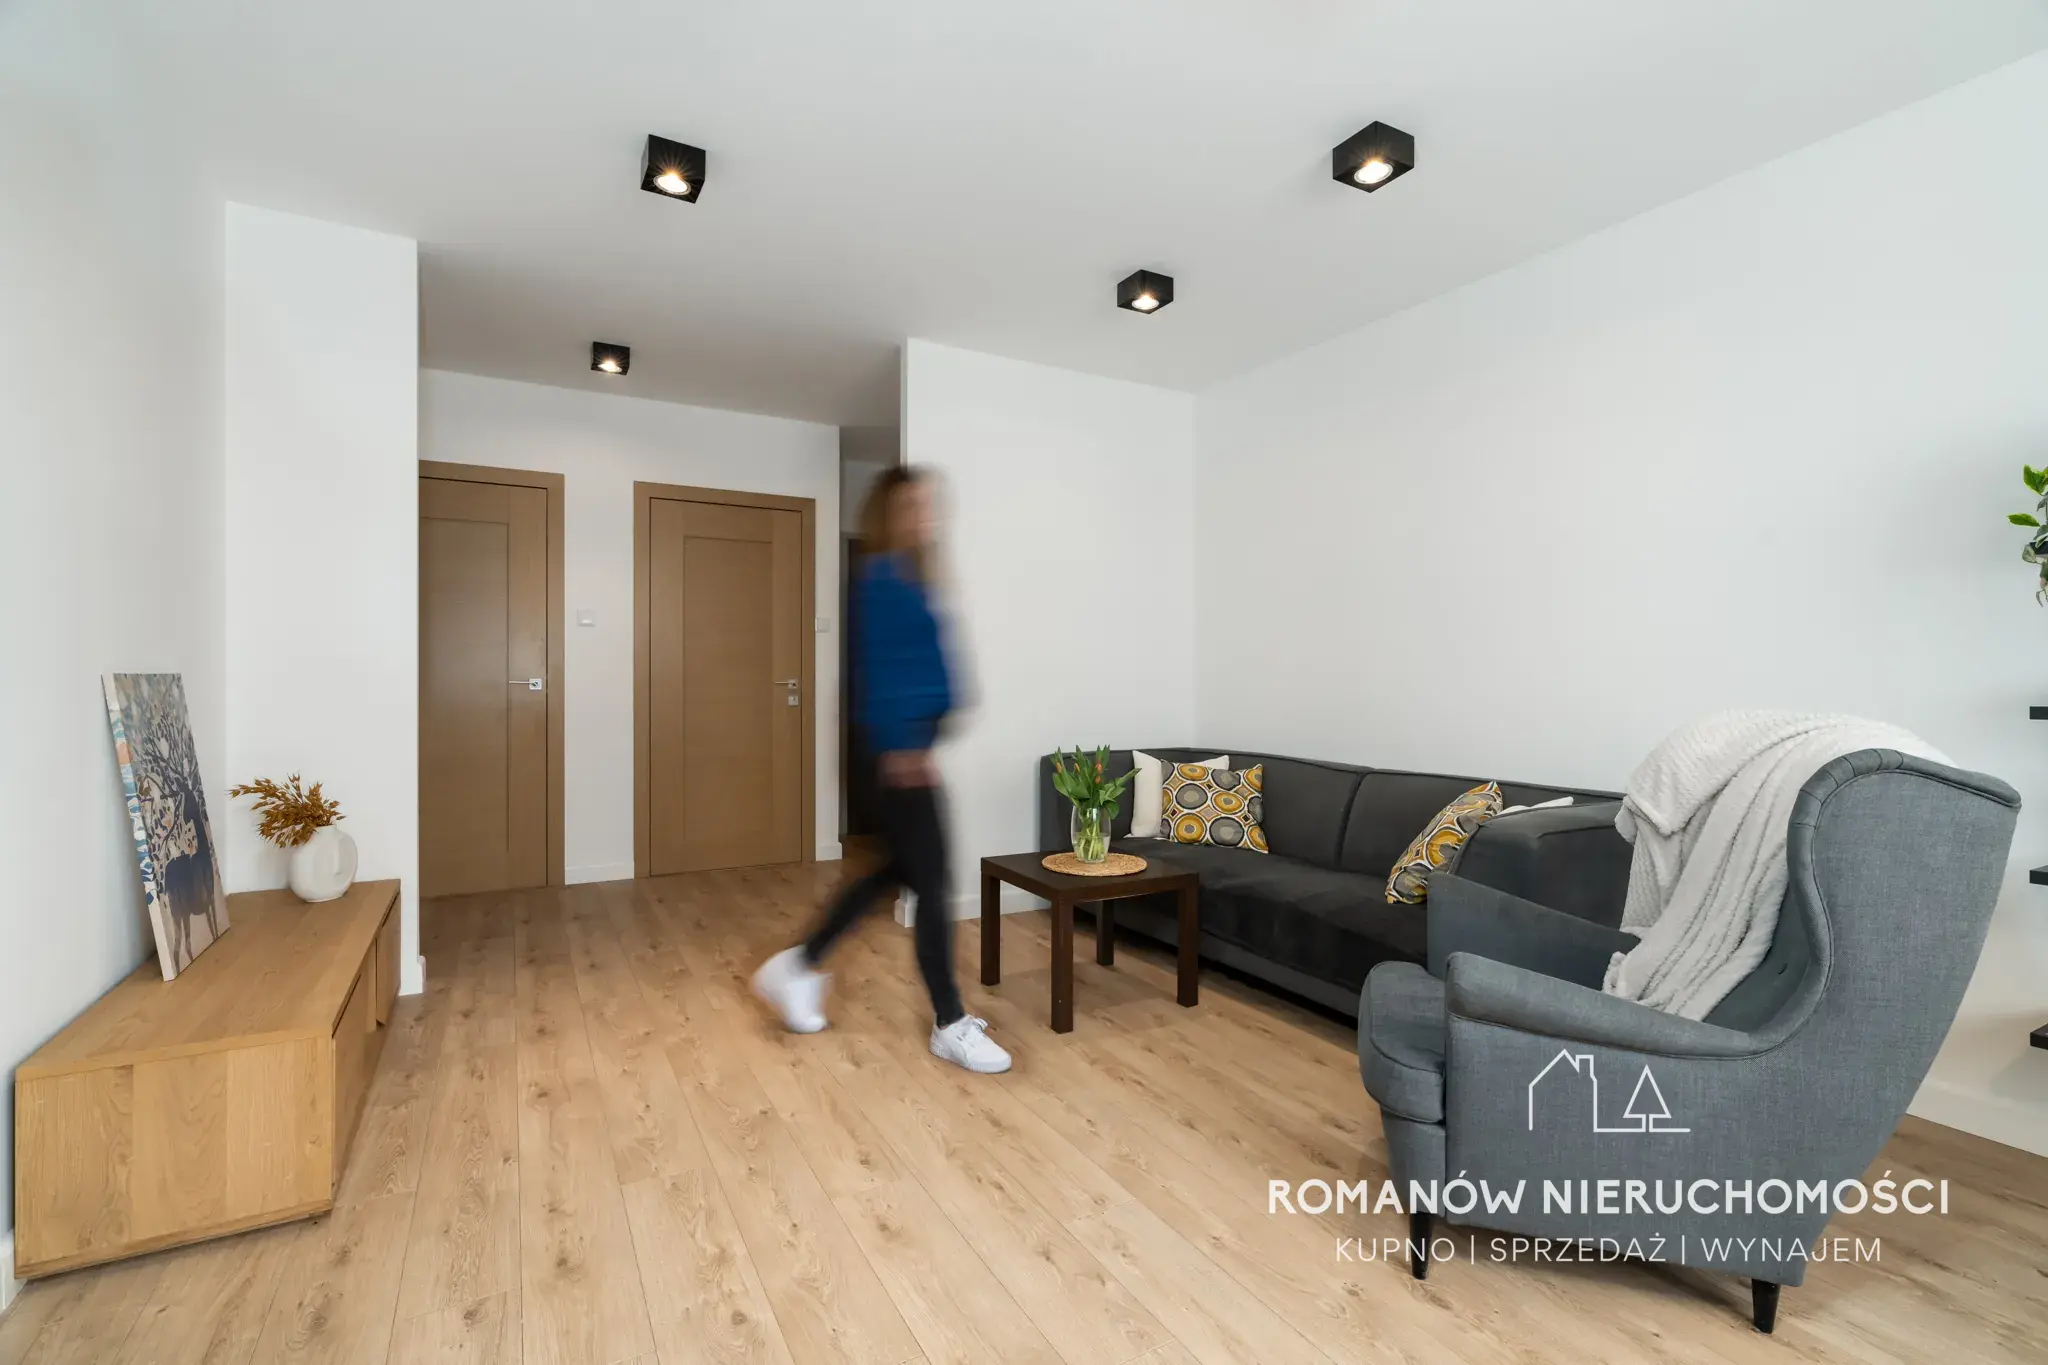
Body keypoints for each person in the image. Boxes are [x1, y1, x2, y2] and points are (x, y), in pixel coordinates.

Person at [751, 466, 1012, 1074]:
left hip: (908, 749)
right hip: (897, 755)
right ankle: (949, 1022)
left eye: (928, 505)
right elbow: (883, 672)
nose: (925, 516)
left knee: (898, 872)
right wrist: (903, 748)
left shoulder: (912, 577)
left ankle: (796, 966)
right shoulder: (882, 578)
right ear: (888, 514)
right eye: (911, 507)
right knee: (935, 885)